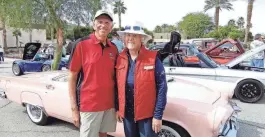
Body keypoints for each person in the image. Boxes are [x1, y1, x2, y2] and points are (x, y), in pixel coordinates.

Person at [68, 10, 118, 137]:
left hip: (109, 104)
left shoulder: (113, 48)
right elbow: (72, 77)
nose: (103, 25)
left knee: (103, 134)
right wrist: (74, 109)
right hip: (89, 104)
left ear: (111, 27)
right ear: (93, 24)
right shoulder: (81, 45)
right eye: (100, 22)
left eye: (107, 22)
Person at [115, 22, 168, 137]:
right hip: (128, 115)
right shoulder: (120, 58)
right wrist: (118, 109)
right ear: (124, 38)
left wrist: (158, 116)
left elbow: (162, 88)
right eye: (128, 35)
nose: (130, 38)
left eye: (134, 36)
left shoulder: (153, 58)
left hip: (147, 117)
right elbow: (116, 86)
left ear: (141, 39)